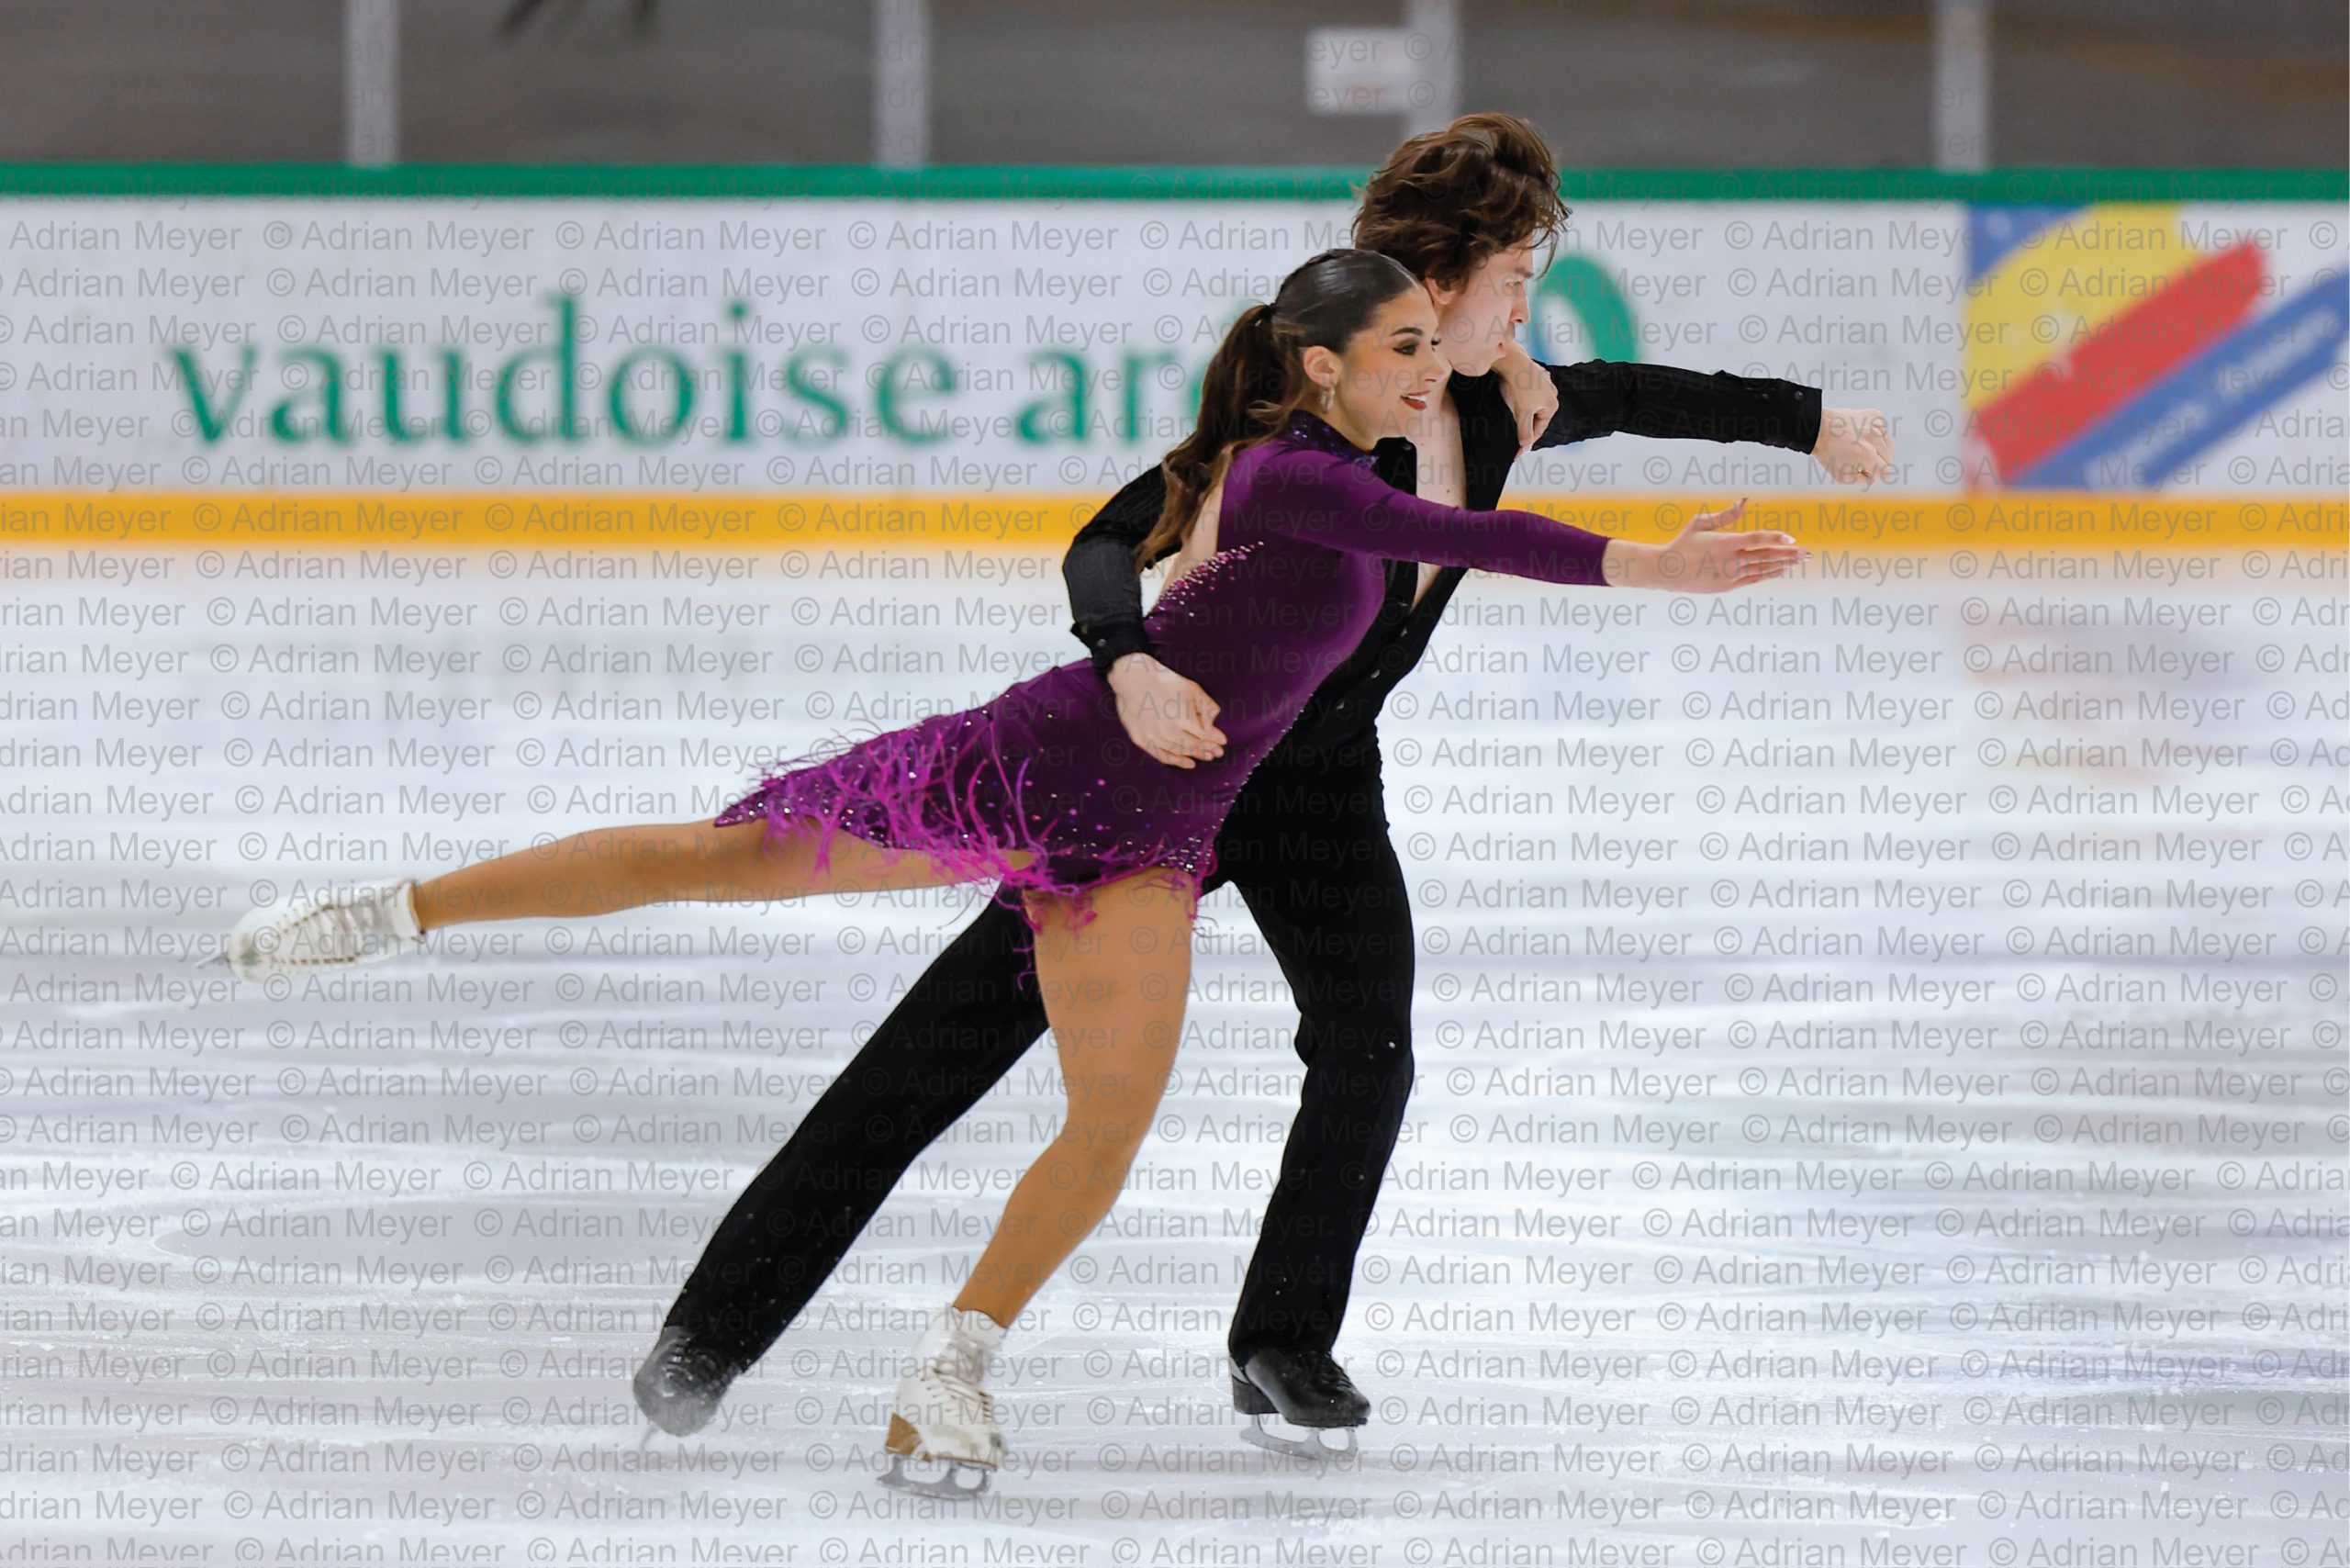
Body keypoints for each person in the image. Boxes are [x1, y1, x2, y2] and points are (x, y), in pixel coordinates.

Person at [221, 246, 1804, 1495]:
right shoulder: (1291, 469)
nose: (1423, 368)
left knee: (1107, 1131)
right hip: (1035, 762)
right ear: (1323, 365)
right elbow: (1481, 547)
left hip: (1160, 838)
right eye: (1399, 348)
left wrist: (1691, 429)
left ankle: (950, 1373)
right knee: (713, 859)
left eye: (1426, 347)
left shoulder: (1384, 469)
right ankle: (387, 912)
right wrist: (1644, 565)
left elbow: (1494, 483)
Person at [635, 113, 1893, 1465]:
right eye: (1516, 278)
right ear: (1442, 282)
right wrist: (1121, 664)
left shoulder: (1487, 398)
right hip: (1166, 770)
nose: (1532, 307)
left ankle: (1281, 1341)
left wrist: (1808, 422)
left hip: (1321, 786)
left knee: (1368, 1045)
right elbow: (1110, 538)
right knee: (946, 1047)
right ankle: (713, 1331)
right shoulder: (1296, 433)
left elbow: (1644, 392)